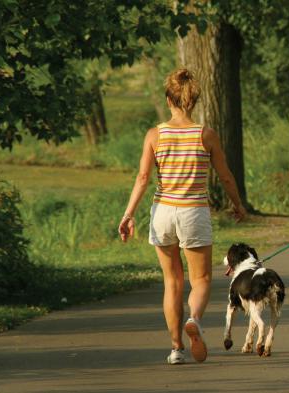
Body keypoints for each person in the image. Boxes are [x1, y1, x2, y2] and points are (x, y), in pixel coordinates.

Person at [118, 68, 247, 365]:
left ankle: (176, 348)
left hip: (162, 211)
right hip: (193, 212)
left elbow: (141, 178)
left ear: (168, 99)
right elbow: (226, 177)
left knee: (172, 281)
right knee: (200, 279)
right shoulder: (206, 134)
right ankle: (195, 319)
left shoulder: (155, 135)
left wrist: (128, 215)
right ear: (194, 101)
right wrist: (238, 205)